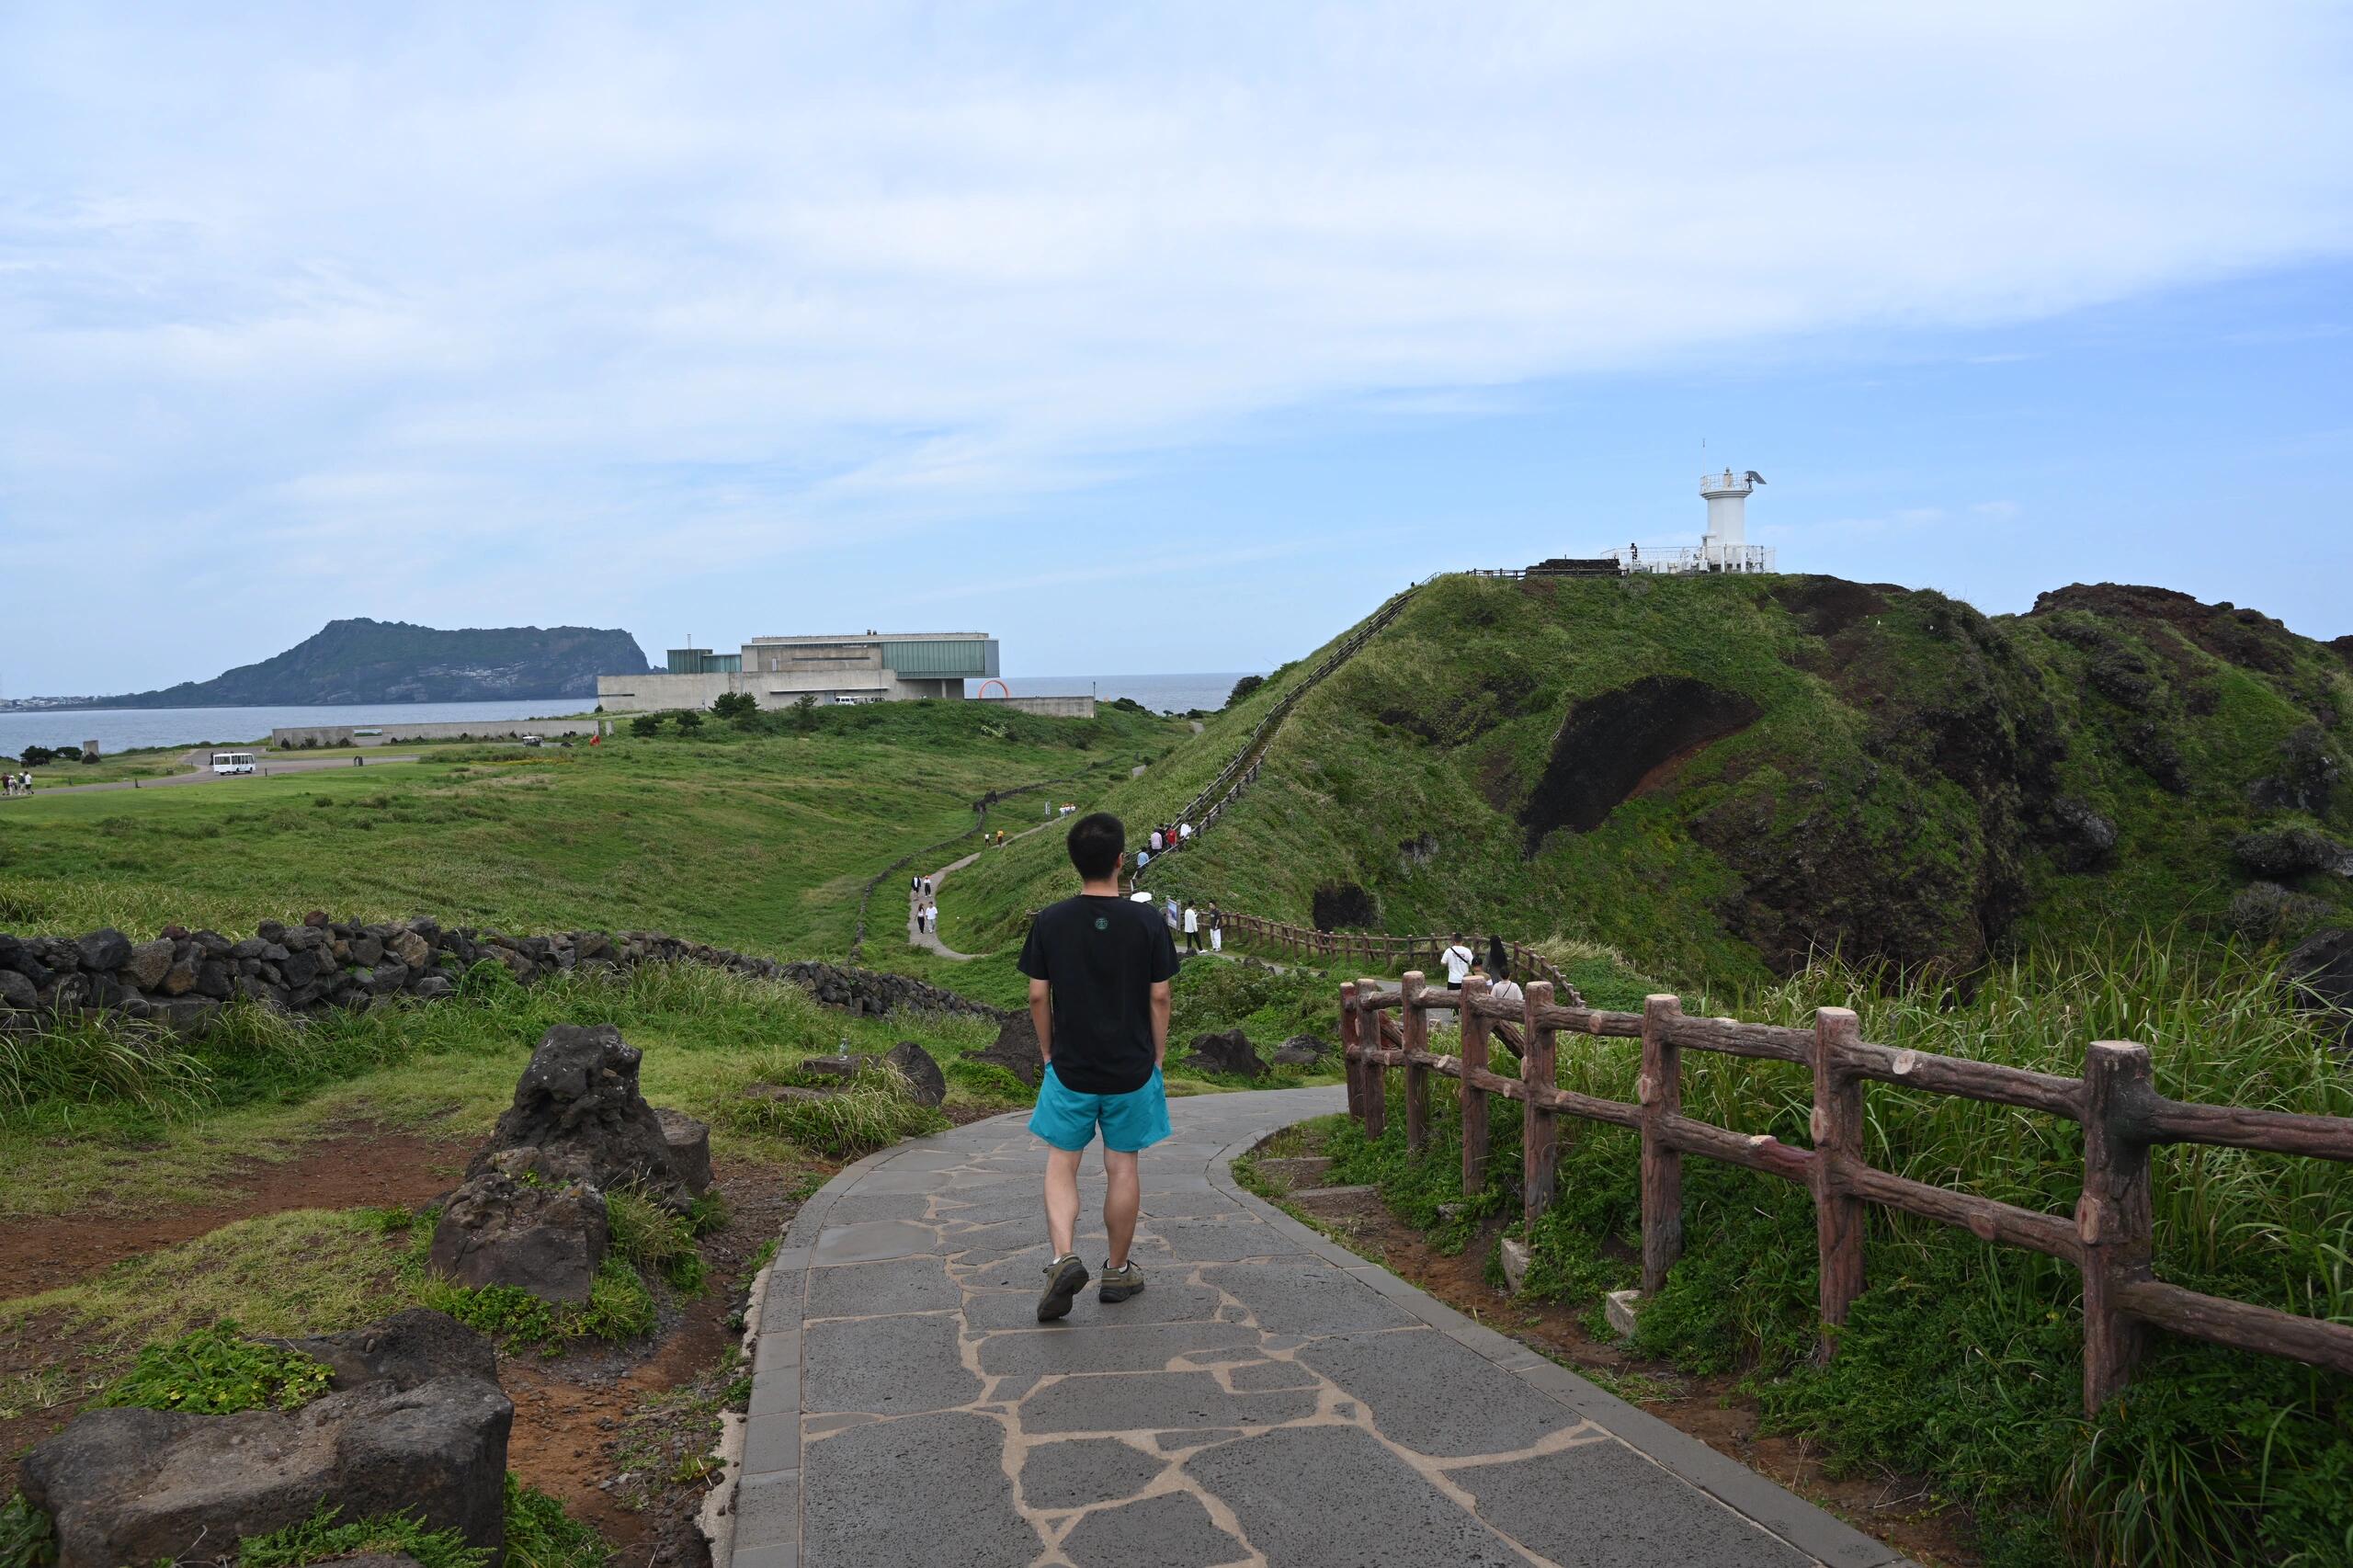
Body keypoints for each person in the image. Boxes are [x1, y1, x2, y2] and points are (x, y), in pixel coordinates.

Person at [1019, 812, 1176, 1321]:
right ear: (1119, 860)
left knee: (1062, 1162)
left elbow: (1038, 995)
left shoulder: (1051, 921)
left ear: (1073, 863)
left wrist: (1047, 1052)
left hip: (1070, 1067)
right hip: (1131, 1068)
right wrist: (1158, 1055)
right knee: (1121, 1165)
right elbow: (1160, 996)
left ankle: (1063, 1257)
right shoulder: (1149, 922)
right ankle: (1116, 1270)